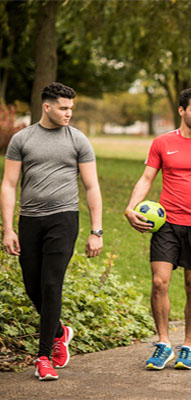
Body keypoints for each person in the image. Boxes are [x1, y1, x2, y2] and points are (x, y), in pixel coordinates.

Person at [1, 82, 103, 381]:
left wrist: (96, 230)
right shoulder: (22, 139)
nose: (69, 113)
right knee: (32, 286)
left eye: (71, 108)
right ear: (47, 106)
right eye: (63, 107)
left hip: (64, 219)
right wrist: (8, 229)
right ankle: (60, 331)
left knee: (50, 285)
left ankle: (43, 357)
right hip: (30, 220)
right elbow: (8, 185)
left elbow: (92, 186)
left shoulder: (78, 140)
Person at [125, 88, 191, 370]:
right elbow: (147, 178)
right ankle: (162, 343)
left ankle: (188, 347)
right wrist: (130, 207)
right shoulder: (162, 142)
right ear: (182, 110)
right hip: (166, 224)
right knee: (159, 282)